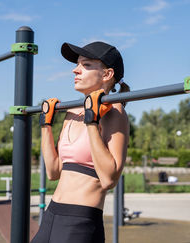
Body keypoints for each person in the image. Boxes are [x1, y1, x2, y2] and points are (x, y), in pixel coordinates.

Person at [31, 41, 130, 243]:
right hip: (51, 214)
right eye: (77, 64)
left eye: (85, 65)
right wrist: (46, 126)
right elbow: (53, 172)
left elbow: (109, 179)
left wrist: (91, 122)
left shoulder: (115, 113)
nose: (75, 70)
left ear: (107, 74)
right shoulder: (72, 112)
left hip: (80, 221)